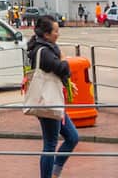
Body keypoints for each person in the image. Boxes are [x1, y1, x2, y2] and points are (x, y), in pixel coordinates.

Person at [26, 16, 79, 178]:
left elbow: (59, 72)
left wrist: (68, 83)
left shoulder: (46, 48)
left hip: (53, 101)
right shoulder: (44, 52)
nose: (58, 34)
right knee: (50, 144)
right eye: (55, 31)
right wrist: (64, 59)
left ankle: (55, 172)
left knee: (72, 137)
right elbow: (62, 68)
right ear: (46, 34)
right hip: (47, 102)